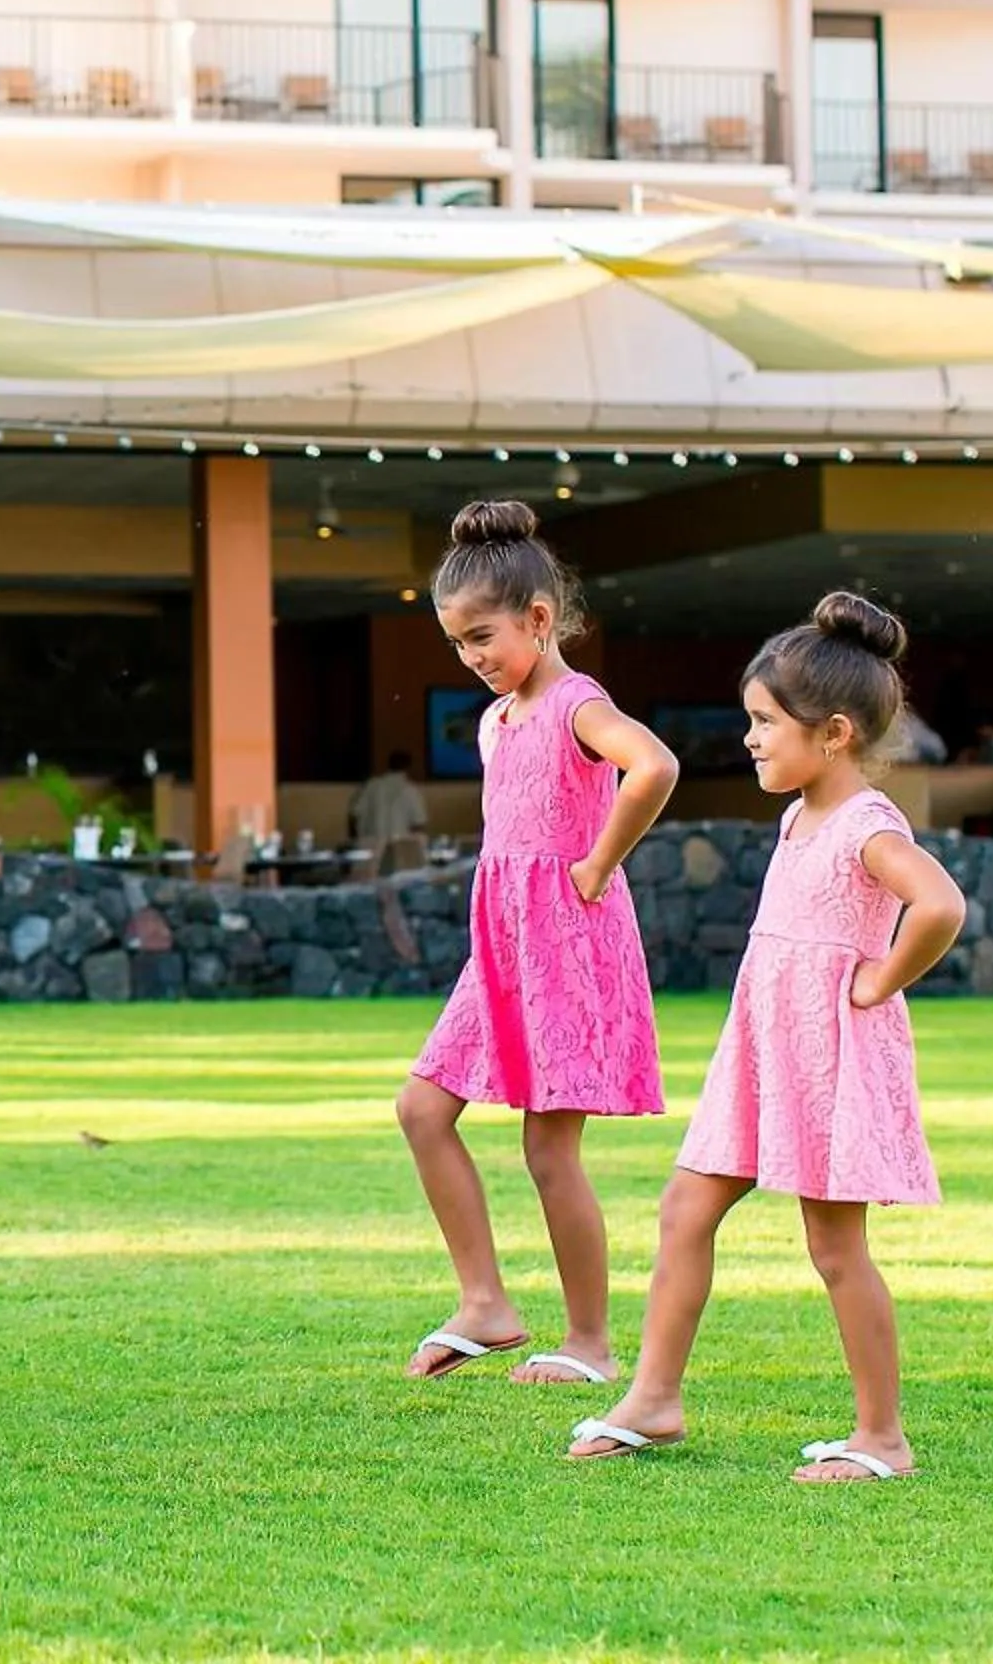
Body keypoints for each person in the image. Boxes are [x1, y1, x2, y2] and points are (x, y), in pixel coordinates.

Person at [568, 592, 965, 1482]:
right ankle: (654, 1400)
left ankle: (883, 1439)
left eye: (763, 722)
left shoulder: (867, 824)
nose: (748, 738)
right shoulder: (797, 816)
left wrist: (881, 975)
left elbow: (939, 904)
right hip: (762, 1051)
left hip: (826, 1058)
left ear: (831, 734)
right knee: (686, 1206)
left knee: (833, 1247)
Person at [398, 501, 680, 1387]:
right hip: (503, 949)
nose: (473, 658)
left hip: (564, 943)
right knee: (421, 1109)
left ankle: (591, 1344)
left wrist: (598, 862)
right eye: (456, 644)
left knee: (549, 1150)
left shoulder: (573, 705)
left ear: (539, 619)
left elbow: (656, 765)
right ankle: (485, 1305)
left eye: (483, 637)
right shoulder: (496, 723)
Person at [353, 750, 429, 848]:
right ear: (409, 767)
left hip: (371, 848)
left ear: (388, 764)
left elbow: (355, 815)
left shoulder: (371, 786)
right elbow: (418, 824)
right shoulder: (410, 790)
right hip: (399, 848)